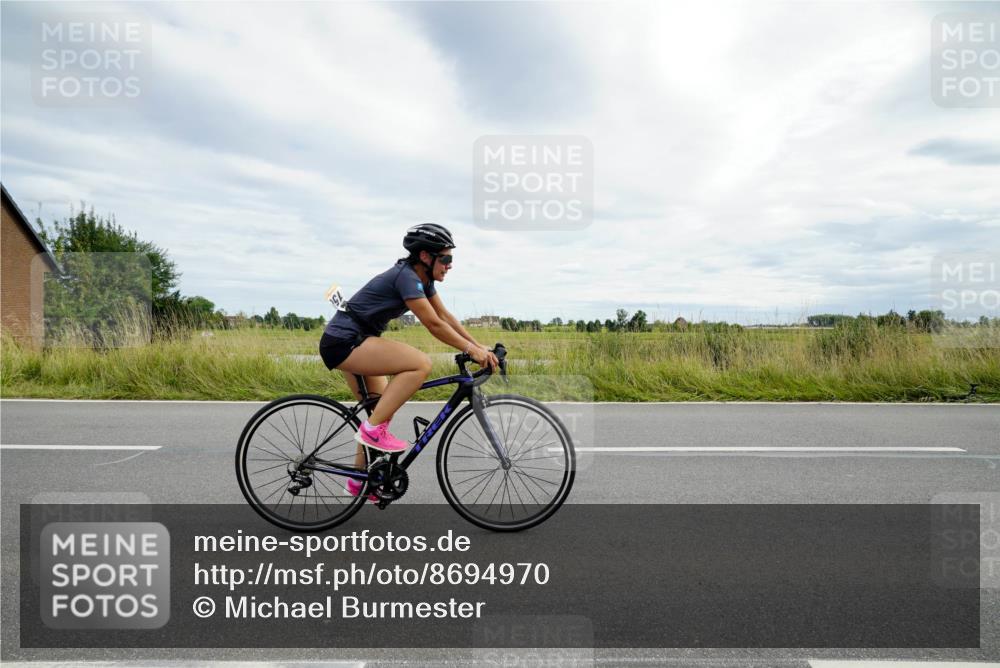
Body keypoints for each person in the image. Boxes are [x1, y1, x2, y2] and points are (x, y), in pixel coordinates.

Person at [318, 223, 499, 500]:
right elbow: (432, 325)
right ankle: (372, 434)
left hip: (351, 340)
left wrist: (476, 346)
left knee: (380, 412)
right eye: (446, 258)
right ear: (425, 257)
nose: (450, 265)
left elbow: (445, 317)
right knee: (419, 364)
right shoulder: (406, 277)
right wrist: (470, 350)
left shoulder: (422, 281)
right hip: (346, 342)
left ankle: (359, 484)